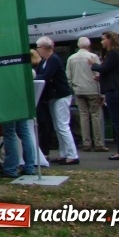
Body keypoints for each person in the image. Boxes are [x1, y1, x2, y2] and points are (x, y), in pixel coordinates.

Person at [35, 36, 78, 165]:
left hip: (61, 95)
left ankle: (72, 154)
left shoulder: (53, 60)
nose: (37, 50)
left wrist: (34, 75)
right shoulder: (45, 61)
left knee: (62, 125)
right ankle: (64, 153)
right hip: (53, 96)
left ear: (43, 48)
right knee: (58, 126)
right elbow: (40, 73)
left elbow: (46, 76)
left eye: (38, 48)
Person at [92, 31, 119, 161]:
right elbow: (110, 71)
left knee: (118, 121)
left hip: (114, 89)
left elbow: (105, 68)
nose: (102, 41)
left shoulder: (113, 53)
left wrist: (93, 64)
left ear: (110, 40)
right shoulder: (115, 53)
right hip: (117, 88)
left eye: (103, 39)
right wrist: (101, 78)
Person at [67, 37, 106, 152]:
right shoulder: (93, 57)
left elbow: (68, 76)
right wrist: (102, 94)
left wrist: (73, 87)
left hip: (78, 90)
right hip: (93, 89)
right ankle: (98, 143)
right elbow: (99, 73)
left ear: (78, 46)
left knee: (84, 116)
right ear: (89, 46)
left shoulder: (71, 58)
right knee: (95, 116)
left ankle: (86, 143)